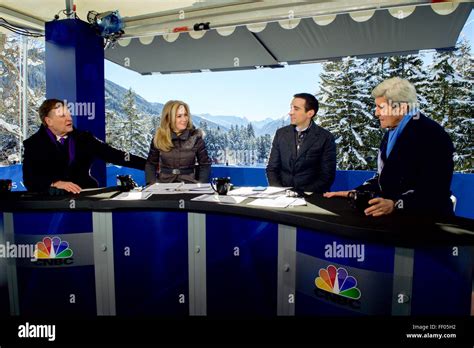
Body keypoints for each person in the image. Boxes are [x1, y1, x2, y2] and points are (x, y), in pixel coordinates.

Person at [324, 77, 455, 217]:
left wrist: (396, 204)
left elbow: (434, 191)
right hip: (398, 220)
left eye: (381, 107)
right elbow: (385, 177)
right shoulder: (393, 131)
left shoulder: (432, 135)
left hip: (427, 224)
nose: (376, 113)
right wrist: (356, 192)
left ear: (402, 108)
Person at [22, 99, 146, 193]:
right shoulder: (33, 145)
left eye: (69, 114)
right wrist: (55, 183)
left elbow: (114, 155)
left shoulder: (84, 138)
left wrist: (149, 164)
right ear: (49, 121)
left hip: (86, 197)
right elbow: (30, 180)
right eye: (62, 116)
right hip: (53, 203)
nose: (69, 118)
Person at [266, 93, 336, 193]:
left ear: (310, 113)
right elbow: (272, 168)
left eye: (296, 109)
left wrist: (301, 195)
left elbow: (327, 176)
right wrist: (280, 192)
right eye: (291, 108)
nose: (290, 113)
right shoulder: (281, 134)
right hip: (282, 196)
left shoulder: (325, 137)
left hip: (312, 197)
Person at [145, 100, 211, 184]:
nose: (184, 119)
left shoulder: (196, 138)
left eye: (186, 115)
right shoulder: (159, 138)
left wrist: (201, 186)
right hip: (164, 185)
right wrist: (152, 185)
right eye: (179, 116)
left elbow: (205, 165)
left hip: (189, 185)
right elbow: (150, 164)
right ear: (169, 118)